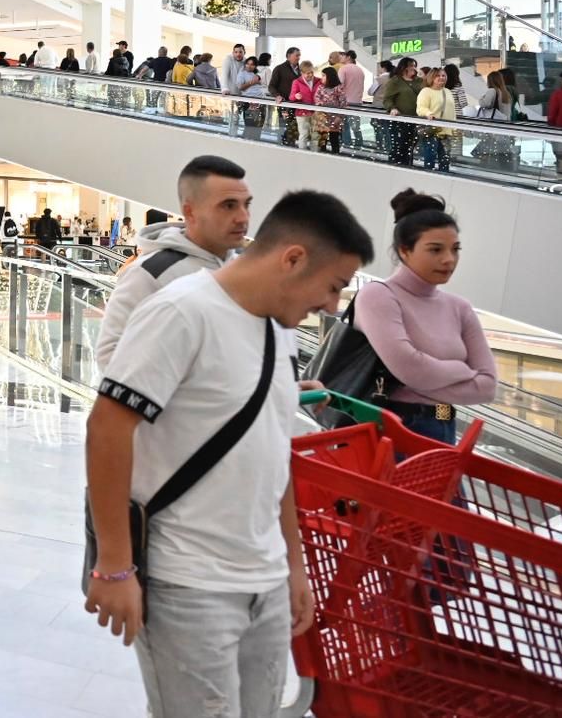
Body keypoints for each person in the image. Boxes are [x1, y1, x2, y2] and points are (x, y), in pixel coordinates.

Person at [86, 190, 373, 717]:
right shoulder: (181, 311)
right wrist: (114, 567)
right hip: (187, 584)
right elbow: (107, 428)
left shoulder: (278, 330)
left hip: (262, 579)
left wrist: (294, 567)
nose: (332, 306)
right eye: (333, 287)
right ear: (292, 259)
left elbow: (274, 454)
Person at [354, 191, 496, 445]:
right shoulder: (378, 296)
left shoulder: (460, 308)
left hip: (445, 424)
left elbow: (487, 386)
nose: (449, 259)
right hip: (392, 427)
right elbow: (411, 369)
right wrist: (461, 370)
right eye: (435, 250)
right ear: (405, 251)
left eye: (455, 249)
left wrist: (420, 379)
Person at [96, 156, 251, 372]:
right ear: (190, 211)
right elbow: (110, 357)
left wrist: (277, 389)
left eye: (246, 205)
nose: (243, 217)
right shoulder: (149, 273)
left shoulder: (246, 271)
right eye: (228, 206)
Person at [382, 57, 424, 166]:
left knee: (410, 147)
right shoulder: (395, 81)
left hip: (415, 120)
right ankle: (394, 166)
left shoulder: (419, 81)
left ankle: (407, 166)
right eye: (410, 66)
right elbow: (387, 99)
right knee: (398, 146)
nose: (413, 68)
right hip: (399, 121)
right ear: (403, 67)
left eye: (414, 66)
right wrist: (392, 108)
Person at [416, 66, 457, 172]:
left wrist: (455, 127)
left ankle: (443, 180)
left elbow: (452, 111)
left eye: (443, 75)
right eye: (438, 76)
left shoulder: (447, 91)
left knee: (445, 161)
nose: (441, 78)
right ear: (432, 78)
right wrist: (429, 113)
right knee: (430, 160)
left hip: (446, 133)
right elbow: (421, 108)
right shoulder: (426, 91)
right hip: (432, 131)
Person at [269, 47, 302, 147]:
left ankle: (291, 146)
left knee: (295, 128)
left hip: (298, 105)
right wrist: (277, 96)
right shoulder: (279, 69)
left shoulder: (301, 70)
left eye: (299, 55)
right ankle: (283, 146)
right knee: (285, 126)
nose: (299, 57)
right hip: (285, 104)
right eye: (297, 55)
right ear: (288, 56)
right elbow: (271, 86)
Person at [313, 66, 347, 154]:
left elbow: (343, 103)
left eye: (324, 75)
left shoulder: (338, 88)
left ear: (330, 76)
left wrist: (340, 117)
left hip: (334, 117)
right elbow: (316, 98)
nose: (322, 77)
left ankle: (335, 155)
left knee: (334, 138)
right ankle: (322, 154)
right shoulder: (320, 87)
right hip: (322, 117)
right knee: (322, 138)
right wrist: (320, 104)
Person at [235, 56, 268, 141]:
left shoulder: (257, 73)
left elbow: (264, 85)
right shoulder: (242, 74)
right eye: (248, 64)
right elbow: (240, 87)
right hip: (249, 102)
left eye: (252, 64)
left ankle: (256, 142)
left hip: (260, 101)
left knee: (259, 126)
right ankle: (247, 143)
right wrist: (251, 82)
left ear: (255, 66)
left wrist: (258, 80)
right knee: (250, 125)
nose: (249, 66)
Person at [289, 60, 321, 151]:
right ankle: (302, 154)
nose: (310, 75)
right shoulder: (296, 82)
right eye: (307, 73)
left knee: (315, 135)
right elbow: (291, 97)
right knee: (304, 134)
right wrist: (296, 96)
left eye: (311, 72)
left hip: (316, 112)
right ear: (302, 73)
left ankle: (314, 154)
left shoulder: (318, 81)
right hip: (302, 113)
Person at [339, 50, 367, 148]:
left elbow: (340, 85)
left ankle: (347, 145)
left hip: (346, 102)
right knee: (356, 127)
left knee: (345, 126)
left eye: (343, 56)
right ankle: (359, 144)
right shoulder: (360, 70)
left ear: (348, 57)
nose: (341, 58)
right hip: (358, 101)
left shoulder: (343, 69)